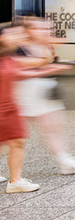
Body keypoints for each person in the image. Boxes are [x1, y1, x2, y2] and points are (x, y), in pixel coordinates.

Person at [14, 17, 75, 174]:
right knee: (13, 134)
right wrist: (48, 69)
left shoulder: (45, 46)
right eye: (40, 29)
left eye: (47, 28)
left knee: (54, 126)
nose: (46, 32)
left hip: (45, 89)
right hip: (23, 92)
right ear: (28, 30)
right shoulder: (18, 47)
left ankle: (65, 161)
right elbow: (17, 71)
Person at [0, 25, 39, 193]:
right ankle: (15, 181)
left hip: (9, 107)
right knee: (17, 141)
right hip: (4, 108)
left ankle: (15, 180)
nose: (18, 37)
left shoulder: (8, 58)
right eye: (13, 34)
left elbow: (25, 70)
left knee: (16, 141)